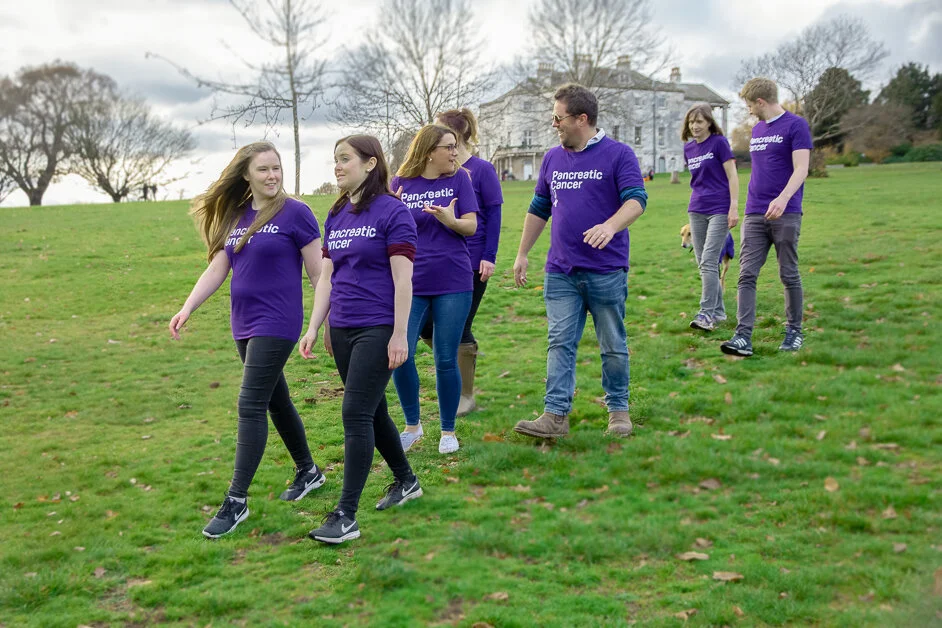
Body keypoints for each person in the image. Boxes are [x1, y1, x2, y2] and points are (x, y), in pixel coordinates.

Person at [169, 141, 326, 539]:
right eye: (263, 169)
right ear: (246, 174)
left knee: (250, 403)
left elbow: (318, 272)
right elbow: (218, 268)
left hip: (279, 320)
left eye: (276, 168)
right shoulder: (237, 215)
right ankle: (308, 471)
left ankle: (236, 500)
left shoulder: (296, 213)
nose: (272, 176)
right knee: (276, 400)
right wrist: (188, 307)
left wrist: (322, 321)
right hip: (243, 321)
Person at [300, 135, 423, 544]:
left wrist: (400, 334)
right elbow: (327, 277)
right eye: (335, 160)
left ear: (370, 164)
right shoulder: (336, 213)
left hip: (378, 326)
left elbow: (403, 280)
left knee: (354, 413)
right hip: (342, 327)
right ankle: (406, 480)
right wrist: (315, 325)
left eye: (345, 159)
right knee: (373, 410)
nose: (337, 166)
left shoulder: (393, 211)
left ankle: (346, 515)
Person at [512, 83, 647, 440]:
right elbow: (539, 207)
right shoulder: (552, 158)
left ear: (582, 119)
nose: (553, 124)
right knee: (560, 342)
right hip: (560, 271)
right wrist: (523, 253)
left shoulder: (619, 154)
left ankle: (618, 411)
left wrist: (610, 225)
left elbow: (637, 199)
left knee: (612, 344)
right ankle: (555, 416)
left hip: (606, 270)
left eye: (559, 118)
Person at [391, 124, 478, 454]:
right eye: (449, 147)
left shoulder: (460, 180)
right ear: (429, 152)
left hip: (453, 281)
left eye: (455, 146)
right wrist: (391, 209)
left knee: (445, 357)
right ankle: (412, 426)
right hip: (410, 282)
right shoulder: (400, 183)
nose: (455, 152)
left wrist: (451, 221)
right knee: (401, 354)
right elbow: (386, 227)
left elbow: (471, 225)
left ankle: (447, 431)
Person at [419, 108, 503, 416]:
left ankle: (465, 395)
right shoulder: (436, 172)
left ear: (454, 136)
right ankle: (454, 367)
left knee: (461, 325)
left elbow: (494, 215)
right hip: (435, 263)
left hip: (471, 262)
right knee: (426, 327)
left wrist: (489, 257)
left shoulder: (481, 170)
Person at [721, 78, 811, 357]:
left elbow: (802, 168)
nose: (749, 110)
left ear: (760, 102)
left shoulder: (796, 126)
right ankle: (742, 337)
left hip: (786, 212)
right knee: (746, 274)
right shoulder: (758, 129)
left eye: (749, 105)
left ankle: (794, 331)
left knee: (788, 273)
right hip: (755, 212)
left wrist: (783, 199)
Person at [682, 103, 739, 332]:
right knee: (704, 263)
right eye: (691, 122)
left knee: (708, 261)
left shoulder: (719, 143)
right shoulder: (688, 149)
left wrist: (734, 207)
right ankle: (719, 312)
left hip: (720, 209)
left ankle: (706, 314)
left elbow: (732, 175)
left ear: (709, 123)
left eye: (699, 121)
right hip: (696, 209)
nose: (695, 126)